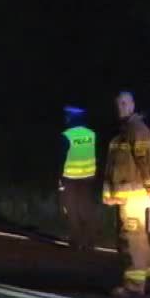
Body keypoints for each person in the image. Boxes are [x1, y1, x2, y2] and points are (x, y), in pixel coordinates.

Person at [101, 91, 150, 298]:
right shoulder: (124, 132)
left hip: (134, 196)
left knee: (131, 239)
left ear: (133, 105)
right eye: (118, 104)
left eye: (125, 103)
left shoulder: (137, 130)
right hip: (128, 196)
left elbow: (146, 162)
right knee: (139, 239)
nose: (121, 107)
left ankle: (134, 286)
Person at [59, 106, 98, 251]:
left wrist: (59, 177)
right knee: (86, 208)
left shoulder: (67, 135)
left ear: (71, 118)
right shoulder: (91, 134)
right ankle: (90, 241)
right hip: (88, 177)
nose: (66, 118)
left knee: (71, 208)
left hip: (70, 177)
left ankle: (75, 240)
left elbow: (62, 158)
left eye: (67, 116)